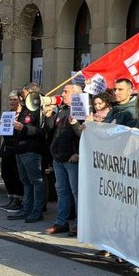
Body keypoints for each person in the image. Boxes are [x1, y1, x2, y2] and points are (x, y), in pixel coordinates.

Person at [45, 83, 84, 236]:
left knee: (76, 192)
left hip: (72, 158)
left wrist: (79, 153)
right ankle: (61, 222)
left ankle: (78, 223)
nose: (62, 94)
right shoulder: (62, 111)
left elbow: (84, 136)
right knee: (62, 191)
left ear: (76, 95)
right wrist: (49, 117)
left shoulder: (81, 110)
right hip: (59, 158)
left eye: (66, 92)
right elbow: (50, 132)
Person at [7, 84, 47, 224]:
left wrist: (24, 128)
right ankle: (26, 208)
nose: (21, 97)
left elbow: (42, 130)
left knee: (36, 182)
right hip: (20, 150)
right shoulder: (25, 108)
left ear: (31, 92)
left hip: (31, 151)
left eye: (23, 93)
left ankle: (37, 210)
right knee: (26, 181)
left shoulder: (38, 108)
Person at [0, 90, 24, 211]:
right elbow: (5, 129)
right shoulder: (8, 113)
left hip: (17, 148)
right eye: (10, 99)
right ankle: (11, 197)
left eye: (14, 99)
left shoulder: (22, 114)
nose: (12, 102)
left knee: (17, 175)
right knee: (6, 174)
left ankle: (18, 199)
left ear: (20, 100)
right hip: (7, 148)